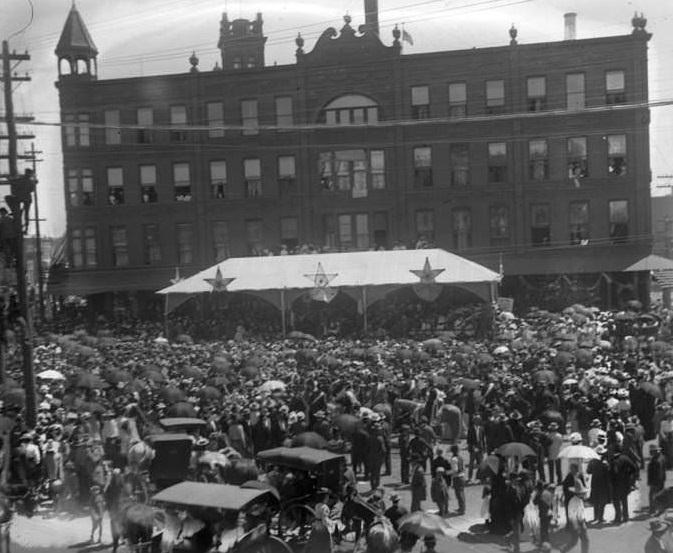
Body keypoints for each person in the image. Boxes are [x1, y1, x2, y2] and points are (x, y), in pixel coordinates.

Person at [610, 444, 638, 524]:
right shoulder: (626, 458)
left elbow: (613, 473)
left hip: (616, 484)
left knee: (616, 502)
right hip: (625, 483)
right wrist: (628, 475)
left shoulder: (613, 460)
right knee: (624, 501)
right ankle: (626, 517)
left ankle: (618, 518)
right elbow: (634, 468)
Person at [561, 477, 589, 553]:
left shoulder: (580, 500)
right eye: (582, 493)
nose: (584, 494)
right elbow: (572, 516)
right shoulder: (573, 502)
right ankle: (563, 551)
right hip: (576, 524)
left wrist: (583, 521)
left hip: (581, 522)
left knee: (583, 540)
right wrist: (576, 527)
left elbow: (582, 512)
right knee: (575, 541)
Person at [586, 445, 611, 523]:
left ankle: (596, 517)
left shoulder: (592, 461)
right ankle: (600, 517)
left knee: (596, 501)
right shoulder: (605, 463)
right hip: (603, 483)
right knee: (602, 501)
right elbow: (608, 473)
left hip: (595, 482)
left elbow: (588, 471)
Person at [648, 444, 667, 515]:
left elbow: (657, 472)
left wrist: (653, 482)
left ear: (655, 451)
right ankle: (659, 509)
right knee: (659, 495)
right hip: (660, 480)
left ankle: (654, 509)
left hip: (656, 481)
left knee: (653, 495)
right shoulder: (662, 457)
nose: (650, 453)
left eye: (651, 451)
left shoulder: (656, 460)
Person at [467, 414, 486, 483]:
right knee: (471, 464)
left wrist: (484, 448)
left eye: (479, 420)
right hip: (473, 447)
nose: (477, 421)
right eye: (476, 420)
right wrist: (472, 447)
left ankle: (479, 477)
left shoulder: (482, 428)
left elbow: (483, 439)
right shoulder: (471, 429)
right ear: (474, 421)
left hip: (480, 447)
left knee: (480, 464)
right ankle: (470, 478)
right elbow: (468, 440)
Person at [448, 444, 466, 514]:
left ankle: (461, 509)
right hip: (462, 476)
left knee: (458, 494)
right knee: (462, 494)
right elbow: (463, 468)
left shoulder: (453, 459)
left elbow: (454, 470)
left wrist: (447, 472)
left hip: (457, 477)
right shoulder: (461, 457)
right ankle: (462, 508)